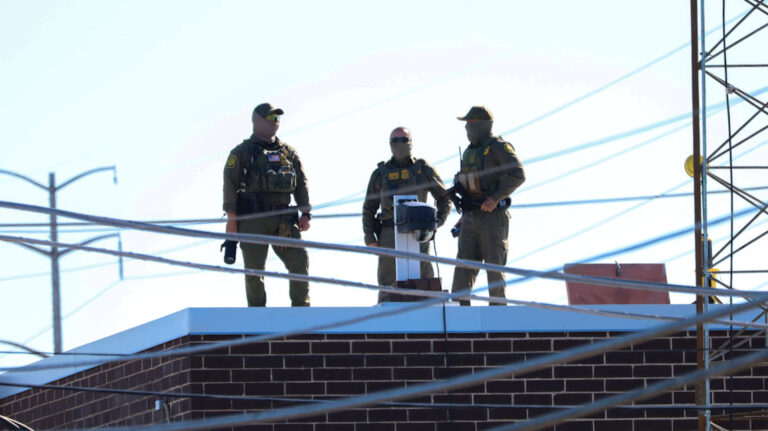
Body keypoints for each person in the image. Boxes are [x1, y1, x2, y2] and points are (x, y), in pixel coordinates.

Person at [223, 103, 312, 307]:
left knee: (299, 260)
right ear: (257, 122)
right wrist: (232, 220)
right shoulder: (242, 152)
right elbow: (229, 184)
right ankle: (257, 316)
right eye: (271, 118)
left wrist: (306, 212)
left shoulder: (288, 152)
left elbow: (301, 182)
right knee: (254, 271)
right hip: (253, 219)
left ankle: (301, 311)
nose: (275, 122)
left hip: (284, 219)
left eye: (277, 119)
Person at [362, 127, 452, 302]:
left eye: (404, 140)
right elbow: (369, 208)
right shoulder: (380, 174)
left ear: (411, 143)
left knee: (424, 278)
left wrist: (436, 223)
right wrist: (369, 237)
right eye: (395, 141)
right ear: (390, 144)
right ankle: (387, 324)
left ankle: (428, 319)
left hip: (419, 231)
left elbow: (445, 198)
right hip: (388, 232)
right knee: (388, 282)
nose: (400, 144)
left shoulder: (423, 170)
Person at [451, 106, 526, 306]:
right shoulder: (469, 152)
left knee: (494, 266)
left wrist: (494, 198)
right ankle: (458, 314)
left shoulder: (498, 147)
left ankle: (497, 317)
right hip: (470, 216)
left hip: (493, 216)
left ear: (481, 125)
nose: (467, 128)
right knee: (463, 266)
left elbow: (518, 174)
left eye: (470, 124)